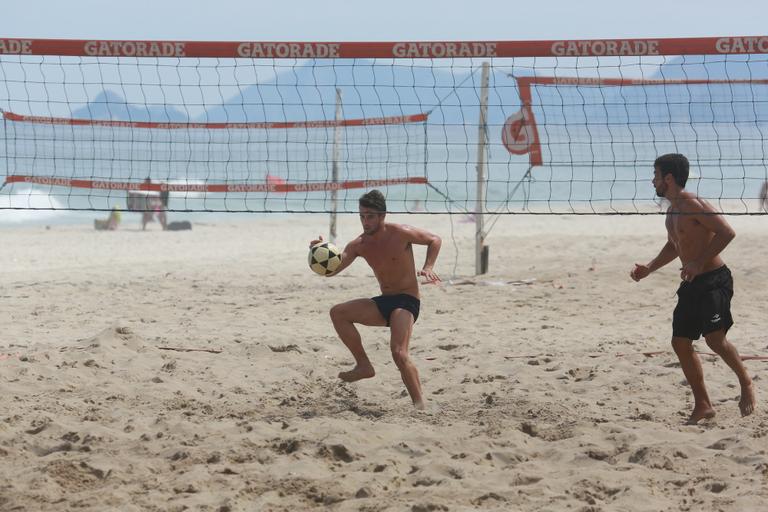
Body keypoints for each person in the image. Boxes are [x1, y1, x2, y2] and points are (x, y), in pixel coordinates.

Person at [630, 153, 756, 424]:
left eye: (656, 175)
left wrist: (699, 262)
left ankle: (746, 382)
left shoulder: (693, 204)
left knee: (714, 339)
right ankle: (703, 404)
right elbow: (674, 245)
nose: (652, 181)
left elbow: (727, 232)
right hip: (691, 281)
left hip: (714, 279)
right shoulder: (671, 211)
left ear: (669, 178)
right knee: (680, 342)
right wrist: (649, 268)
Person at [311, 189, 442, 410]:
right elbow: (332, 270)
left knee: (399, 353)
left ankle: (421, 406)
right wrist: (319, 252)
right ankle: (364, 365)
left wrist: (428, 266)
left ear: (382, 215)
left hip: (406, 302)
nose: (365, 221)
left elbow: (434, 240)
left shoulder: (400, 233)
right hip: (384, 302)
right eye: (362, 216)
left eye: (370, 216)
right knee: (338, 312)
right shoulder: (359, 245)